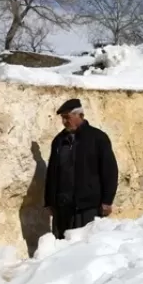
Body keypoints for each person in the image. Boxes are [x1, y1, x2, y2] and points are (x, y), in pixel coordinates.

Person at [43, 98, 119, 239]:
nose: (64, 121)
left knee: (85, 246)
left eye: (67, 117)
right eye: (63, 118)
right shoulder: (59, 141)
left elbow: (109, 171)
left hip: (88, 207)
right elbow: (52, 173)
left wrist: (107, 200)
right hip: (63, 208)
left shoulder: (98, 138)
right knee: (62, 246)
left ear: (80, 115)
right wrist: (49, 201)